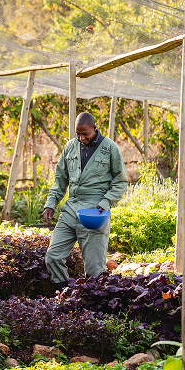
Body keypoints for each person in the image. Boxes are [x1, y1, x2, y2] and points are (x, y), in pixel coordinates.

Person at [43, 112, 128, 292]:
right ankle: (64, 296)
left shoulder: (110, 148)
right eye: (78, 134)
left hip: (94, 212)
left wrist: (106, 203)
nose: (82, 138)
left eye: (85, 134)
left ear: (94, 129)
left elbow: (120, 182)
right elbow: (60, 180)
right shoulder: (70, 147)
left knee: (94, 269)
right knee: (53, 256)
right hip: (71, 209)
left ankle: (94, 310)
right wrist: (51, 203)